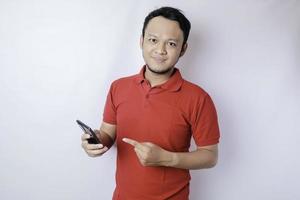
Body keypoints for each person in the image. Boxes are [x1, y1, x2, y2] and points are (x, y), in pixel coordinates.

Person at [81, 6, 220, 200]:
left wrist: (167, 158)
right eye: (153, 40)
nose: (160, 50)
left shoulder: (198, 98)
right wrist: (95, 141)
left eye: (171, 43)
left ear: (183, 49)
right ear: (142, 41)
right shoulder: (118, 87)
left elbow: (210, 156)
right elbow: (107, 134)